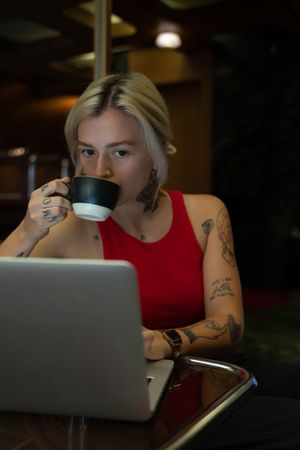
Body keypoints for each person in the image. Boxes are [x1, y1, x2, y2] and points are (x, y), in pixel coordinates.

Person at [0, 72, 300, 449]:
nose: (100, 171)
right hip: (124, 391)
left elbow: (229, 325)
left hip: (202, 368)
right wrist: (27, 231)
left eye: (120, 152)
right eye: (88, 151)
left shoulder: (205, 213)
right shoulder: (67, 229)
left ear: (156, 150)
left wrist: (163, 342)